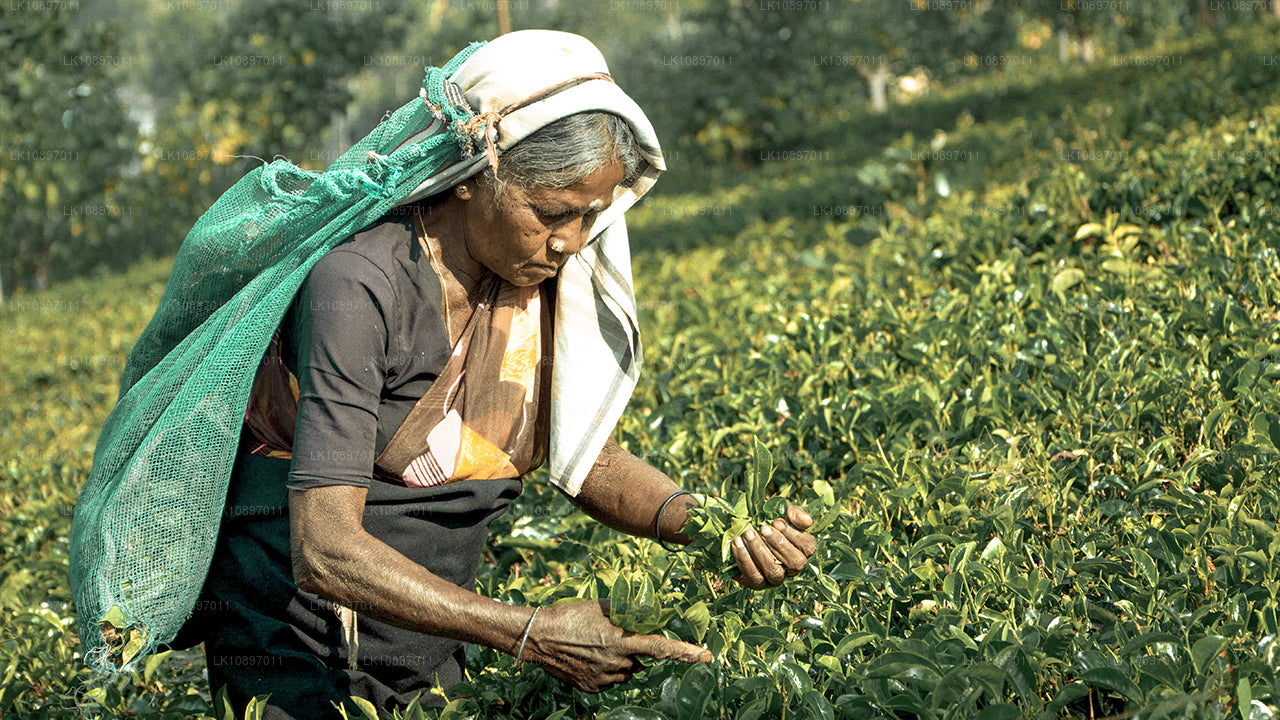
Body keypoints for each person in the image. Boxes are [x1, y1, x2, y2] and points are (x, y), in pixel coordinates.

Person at [179, 30, 817, 718]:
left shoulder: (538, 278)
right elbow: (325, 549)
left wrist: (721, 529)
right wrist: (529, 632)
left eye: (590, 215)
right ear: (471, 176)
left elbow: (588, 458)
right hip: (292, 639)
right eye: (551, 213)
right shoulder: (360, 284)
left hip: (431, 627)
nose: (570, 241)